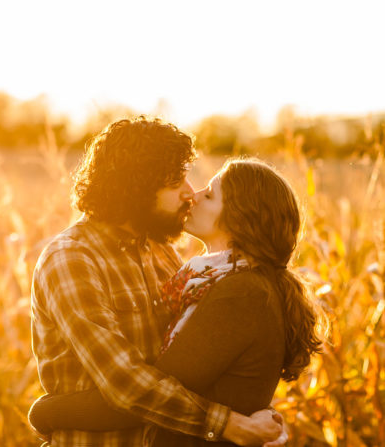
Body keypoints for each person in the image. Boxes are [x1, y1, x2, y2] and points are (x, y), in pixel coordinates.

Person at [30, 117, 288, 446]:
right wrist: (227, 424)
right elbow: (123, 379)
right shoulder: (72, 259)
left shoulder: (162, 252)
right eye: (175, 182)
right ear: (136, 187)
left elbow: (201, 362)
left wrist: (255, 408)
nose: (189, 192)